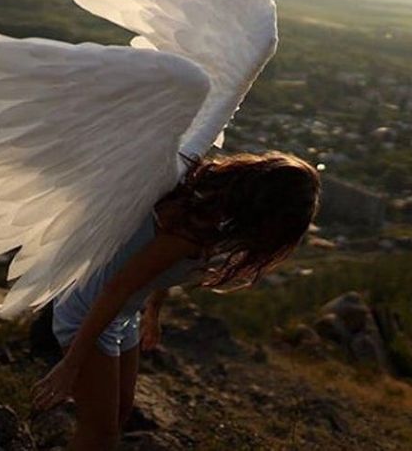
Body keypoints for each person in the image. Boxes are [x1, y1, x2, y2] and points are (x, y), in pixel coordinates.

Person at [32, 151, 321, 451]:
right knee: (99, 433)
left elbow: (157, 270)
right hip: (91, 310)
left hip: (122, 313)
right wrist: (70, 365)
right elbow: (116, 288)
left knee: (119, 414)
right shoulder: (193, 229)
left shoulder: (210, 211)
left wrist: (152, 312)